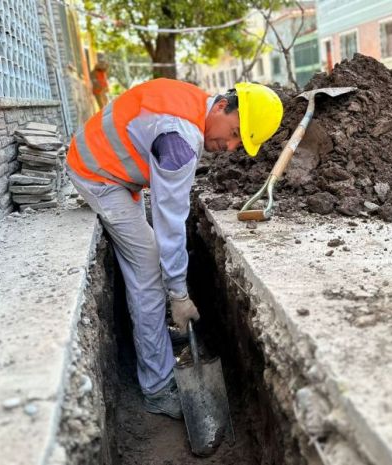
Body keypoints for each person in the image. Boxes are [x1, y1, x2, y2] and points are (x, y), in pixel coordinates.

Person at [65, 78, 283, 419]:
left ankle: (158, 340)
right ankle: (156, 386)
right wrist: (179, 296)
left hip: (115, 170)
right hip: (99, 175)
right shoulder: (180, 141)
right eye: (236, 132)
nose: (230, 146)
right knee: (148, 266)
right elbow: (170, 226)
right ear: (224, 106)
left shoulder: (193, 104)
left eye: (239, 143)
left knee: (149, 259)